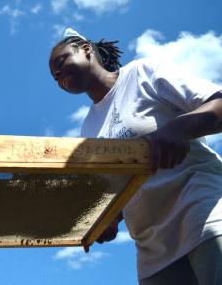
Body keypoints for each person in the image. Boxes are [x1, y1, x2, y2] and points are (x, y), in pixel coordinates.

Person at [49, 28, 222, 285]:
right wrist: (106, 220)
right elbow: (116, 188)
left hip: (202, 214)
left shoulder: (142, 73)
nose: (58, 75)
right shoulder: (88, 129)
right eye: (54, 76)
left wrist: (178, 128)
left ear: (85, 49)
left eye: (60, 63)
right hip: (153, 249)